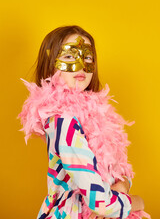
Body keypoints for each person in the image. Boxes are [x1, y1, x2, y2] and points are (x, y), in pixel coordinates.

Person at [18, 25, 147, 219]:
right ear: (50, 63)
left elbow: (114, 173)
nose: (80, 64)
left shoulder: (93, 115)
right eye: (69, 56)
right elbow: (100, 204)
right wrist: (138, 202)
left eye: (87, 57)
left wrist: (125, 183)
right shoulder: (64, 121)